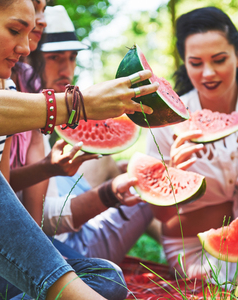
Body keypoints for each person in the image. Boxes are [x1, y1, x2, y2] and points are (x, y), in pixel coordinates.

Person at [0, 0, 159, 299]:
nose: (26, 48)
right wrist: (76, 104)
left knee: (106, 277)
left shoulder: (6, 94)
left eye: (28, 33)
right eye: (15, 30)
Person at [144, 6, 238, 283]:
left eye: (219, 60)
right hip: (191, 247)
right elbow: (161, 216)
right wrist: (171, 174)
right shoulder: (166, 120)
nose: (208, 73)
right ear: (184, 63)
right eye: (196, 63)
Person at [9, 5, 155, 264]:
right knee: (145, 186)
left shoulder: (39, 121)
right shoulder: (17, 111)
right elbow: (39, 223)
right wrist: (109, 192)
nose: (66, 69)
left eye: (72, 57)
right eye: (55, 58)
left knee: (115, 166)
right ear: (28, 56)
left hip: (52, 227)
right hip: (64, 241)